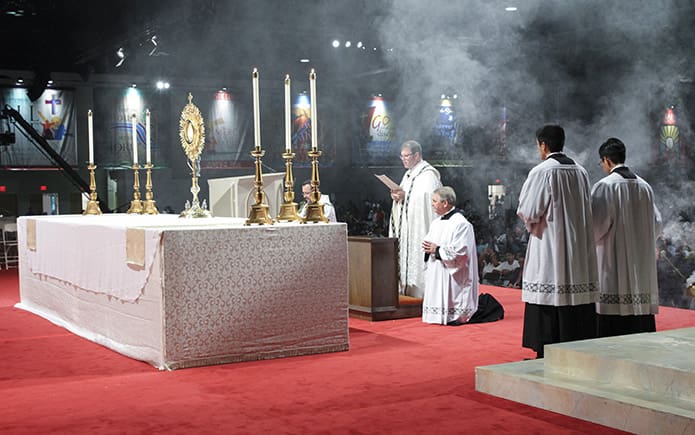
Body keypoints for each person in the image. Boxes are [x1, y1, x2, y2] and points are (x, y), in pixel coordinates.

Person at [517, 124, 599, 358]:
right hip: (577, 247)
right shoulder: (581, 171)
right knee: (573, 297)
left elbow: (529, 210)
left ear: (543, 145)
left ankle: (546, 351)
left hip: (550, 245)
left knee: (549, 294)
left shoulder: (543, 171)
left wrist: (530, 221)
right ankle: (573, 350)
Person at [591, 138, 662, 337]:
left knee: (613, 318)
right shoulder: (645, 186)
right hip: (641, 262)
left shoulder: (605, 186)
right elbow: (657, 223)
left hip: (613, 260)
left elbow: (595, 227)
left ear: (606, 160)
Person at [389, 140, 442, 298]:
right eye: (402, 156)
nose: (404, 159)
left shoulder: (428, 175)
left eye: (407, 156)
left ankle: (421, 294)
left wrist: (406, 197)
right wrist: (396, 196)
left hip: (419, 231)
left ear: (417, 155)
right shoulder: (409, 174)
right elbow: (404, 195)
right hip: (406, 230)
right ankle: (405, 290)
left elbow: (428, 200)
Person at [421, 186, 479, 325]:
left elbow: (461, 253)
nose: (432, 204)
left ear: (445, 203)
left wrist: (438, 250)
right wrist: (429, 248)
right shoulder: (436, 222)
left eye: (434, 201)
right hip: (436, 268)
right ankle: (435, 315)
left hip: (453, 274)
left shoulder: (462, 224)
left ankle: (455, 316)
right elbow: (430, 243)